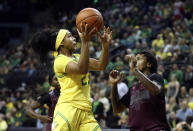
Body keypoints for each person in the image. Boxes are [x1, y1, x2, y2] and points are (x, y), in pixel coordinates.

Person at [30, 24, 112, 131]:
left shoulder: (78, 57)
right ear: (62, 43)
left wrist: (105, 46)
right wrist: (85, 42)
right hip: (68, 109)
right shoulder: (60, 61)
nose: (74, 38)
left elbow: (101, 65)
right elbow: (81, 69)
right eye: (69, 36)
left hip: (86, 111)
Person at [109, 51, 170, 131]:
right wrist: (114, 85)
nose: (135, 61)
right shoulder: (134, 87)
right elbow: (117, 109)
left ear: (148, 64)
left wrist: (135, 70)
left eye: (138, 59)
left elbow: (155, 90)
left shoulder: (156, 77)